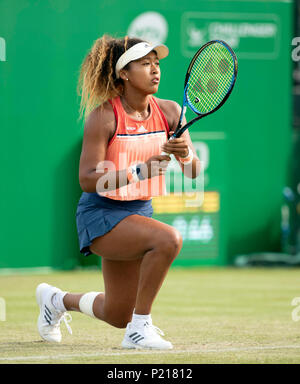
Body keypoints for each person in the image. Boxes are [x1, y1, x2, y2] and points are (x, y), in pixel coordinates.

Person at [36, 35, 201, 350]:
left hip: (139, 212)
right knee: (168, 239)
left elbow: (193, 171)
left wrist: (184, 154)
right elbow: (87, 179)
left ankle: (55, 301)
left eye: (156, 63)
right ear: (124, 73)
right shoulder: (104, 116)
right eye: (144, 64)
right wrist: (139, 171)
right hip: (101, 214)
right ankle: (140, 330)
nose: (155, 70)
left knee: (117, 313)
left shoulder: (170, 112)